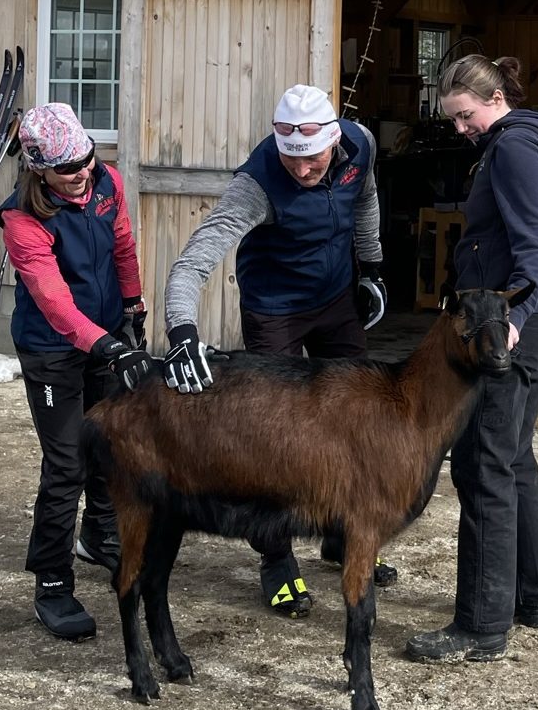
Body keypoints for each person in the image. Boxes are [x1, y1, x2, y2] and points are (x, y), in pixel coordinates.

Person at [160, 83, 394, 614]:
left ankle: (344, 536)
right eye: (291, 160)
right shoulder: (257, 184)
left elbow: (366, 199)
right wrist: (181, 332)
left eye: (311, 160)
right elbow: (192, 263)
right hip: (275, 308)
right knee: (278, 439)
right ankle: (276, 560)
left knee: (357, 418)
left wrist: (373, 268)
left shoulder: (361, 145)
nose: (302, 171)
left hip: (335, 297)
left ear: (334, 142)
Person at [405, 54, 538, 664]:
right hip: (527, 319)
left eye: (465, 116)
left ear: (495, 98)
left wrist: (513, 319)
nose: (460, 129)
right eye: (453, 120)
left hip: (510, 326)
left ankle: (480, 626)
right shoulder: (521, 141)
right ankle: (530, 595)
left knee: (481, 467)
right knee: (514, 459)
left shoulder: (515, 149)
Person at [0, 103, 154, 642]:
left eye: (86, 157)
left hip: (105, 335)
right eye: (67, 168)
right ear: (39, 170)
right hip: (51, 350)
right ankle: (52, 582)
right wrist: (107, 345)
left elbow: (124, 247)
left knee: (109, 446)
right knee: (66, 463)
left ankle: (100, 537)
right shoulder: (23, 220)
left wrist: (133, 308)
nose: (82, 171)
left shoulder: (106, 181)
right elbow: (55, 303)